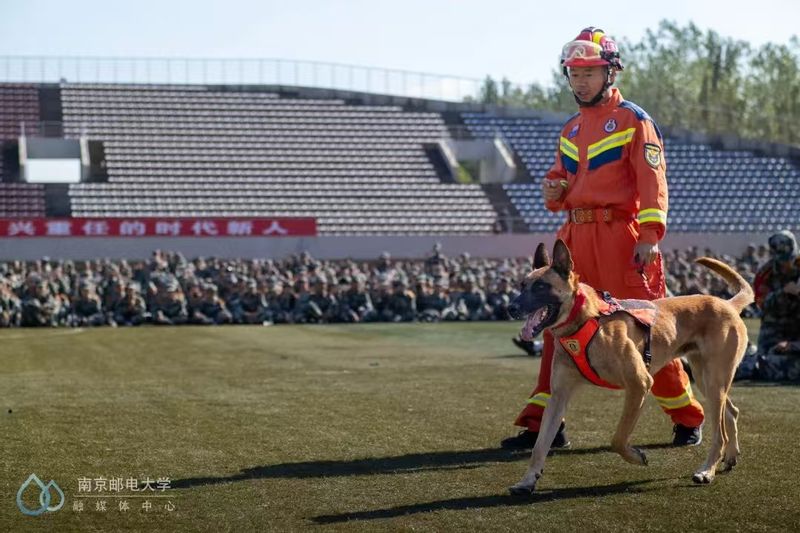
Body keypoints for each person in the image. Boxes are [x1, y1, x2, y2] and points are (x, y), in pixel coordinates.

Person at [501, 27, 704, 450]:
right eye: (574, 73)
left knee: (648, 330)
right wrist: (553, 190)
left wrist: (649, 235)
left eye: (589, 73)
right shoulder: (571, 129)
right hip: (574, 239)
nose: (580, 81)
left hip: (621, 238)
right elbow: (559, 182)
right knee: (557, 328)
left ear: (611, 72)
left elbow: (652, 182)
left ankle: (687, 415)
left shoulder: (634, 120)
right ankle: (544, 425)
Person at [736, 230, 800, 381]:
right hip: (774, 327)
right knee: (765, 361)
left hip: (797, 326)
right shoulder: (765, 274)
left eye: (789, 259)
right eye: (782, 260)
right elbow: (762, 305)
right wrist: (784, 292)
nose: (786, 264)